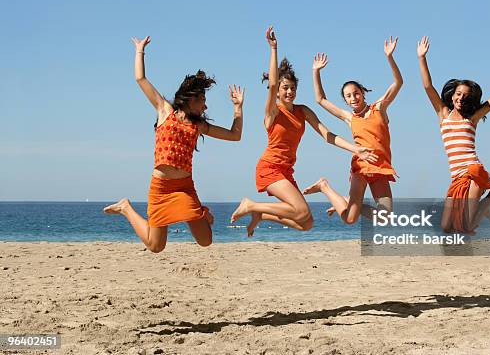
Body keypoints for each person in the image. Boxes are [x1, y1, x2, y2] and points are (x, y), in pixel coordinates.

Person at [230, 27, 377, 236]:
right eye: (285, 88)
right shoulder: (273, 113)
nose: (289, 92)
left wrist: (356, 149)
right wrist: (273, 49)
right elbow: (272, 84)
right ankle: (251, 205)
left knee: (306, 223)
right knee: (300, 210)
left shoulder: (303, 111)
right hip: (270, 168)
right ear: (279, 92)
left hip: (286, 170)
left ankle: (262, 214)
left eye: (292, 88)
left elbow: (327, 135)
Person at [104, 36, 244, 252]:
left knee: (206, 240)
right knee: (155, 246)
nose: (205, 107)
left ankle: (200, 211)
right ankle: (126, 208)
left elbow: (235, 135)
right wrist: (140, 50)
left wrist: (238, 109)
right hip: (160, 189)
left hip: (184, 189)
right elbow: (141, 79)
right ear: (191, 99)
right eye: (203, 101)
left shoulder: (198, 126)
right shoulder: (164, 111)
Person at [416, 35, 490, 234]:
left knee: (466, 226)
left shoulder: (472, 117)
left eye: (466, 96)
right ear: (452, 96)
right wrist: (421, 58)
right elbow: (428, 86)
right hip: (456, 177)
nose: (461, 98)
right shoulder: (443, 114)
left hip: (473, 172)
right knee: (446, 226)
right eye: (458, 94)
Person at [303, 37, 403, 225]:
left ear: (363, 93)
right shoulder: (349, 118)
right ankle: (325, 187)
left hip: (381, 167)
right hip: (361, 166)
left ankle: (349, 200)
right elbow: (320, 99)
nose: (353, 98)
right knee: (350, 219)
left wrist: (390, 57)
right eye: (348, 96)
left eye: (356, 93)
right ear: (346, 100)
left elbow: (398, 82)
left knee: (386, 217)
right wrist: (315, 71)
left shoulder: (379, 108)